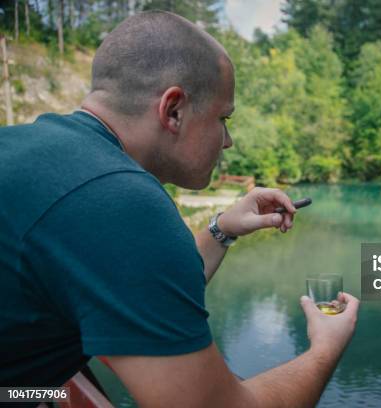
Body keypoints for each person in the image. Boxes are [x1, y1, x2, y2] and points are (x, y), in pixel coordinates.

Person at [0, 10, 359, 407]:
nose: (228, 142)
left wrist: (223, 230)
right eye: (224, 118)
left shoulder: (24, 147)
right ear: (173, 110)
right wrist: (326, 348)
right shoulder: (117, 200)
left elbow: (139, 294)